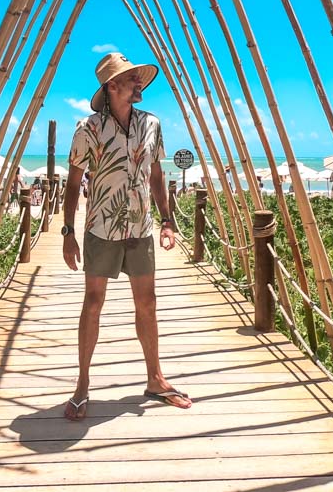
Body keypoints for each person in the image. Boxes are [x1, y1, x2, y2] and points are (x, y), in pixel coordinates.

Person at [61, 52, 192, 421]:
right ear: (111, 86)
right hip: (101, 226)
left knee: (147, 303)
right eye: (131, 78)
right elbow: (73, 184)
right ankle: (83, 385)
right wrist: (68, 231)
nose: (139, 83)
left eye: (137, 77)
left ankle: (155, 378)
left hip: (140, 226)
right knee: (93, 302)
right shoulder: (87, 129)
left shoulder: (152, 123)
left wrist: (167, 220)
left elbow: (155, 175)